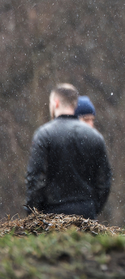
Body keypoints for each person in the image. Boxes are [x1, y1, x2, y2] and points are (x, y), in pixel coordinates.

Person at [25, 84, 112, 219]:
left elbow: (35, 178)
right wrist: (93, 206)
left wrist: (33, 212)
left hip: (52, 214)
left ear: (56, 102)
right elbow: (104, 180)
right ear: (74, 104)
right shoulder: (95, 136)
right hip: (86, 212)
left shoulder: (44, 135)